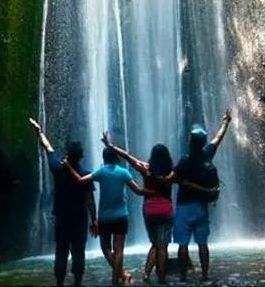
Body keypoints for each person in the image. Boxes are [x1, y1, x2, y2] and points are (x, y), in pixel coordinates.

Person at [65, 146, 151, 285]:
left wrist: (69, 166)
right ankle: (117, 279)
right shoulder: (124, 173)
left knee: (105, 249)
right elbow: (138, 191)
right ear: (116, 158)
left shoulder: (101, 172)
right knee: (119, 250)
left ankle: (121, 276)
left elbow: (80, 180)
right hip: (121, 216)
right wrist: (153, 191)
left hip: (105, 217)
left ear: (104, 158)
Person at [29, 117, 97, 287]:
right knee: (78, 251)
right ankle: (78, 281)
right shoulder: (86, 174)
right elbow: (90, 200)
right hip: (80, 219)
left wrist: (39, 132)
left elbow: (48, 148)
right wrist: (94, 220)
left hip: (62, 218)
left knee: (61, 251)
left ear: (67, 154)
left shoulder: (58, 169)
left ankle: (59, 282)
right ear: (81, 157)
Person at [101, 134, 176, 283]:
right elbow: (185, 178)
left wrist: (110, 146)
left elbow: (128, 158)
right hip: (165, 210)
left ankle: (147, 274)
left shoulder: (146, 170)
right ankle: (161, 277)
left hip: (149, 211)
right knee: (162, 247)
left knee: (155, 244)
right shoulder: (171, 173)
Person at [172, 109, 232, 282]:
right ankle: (205, 275)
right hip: (201, 207)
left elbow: (171, 179)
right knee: (202, 244)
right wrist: (226, 123)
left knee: (182, 245)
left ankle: (183, 275)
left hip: (184, 206)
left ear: (191, 142)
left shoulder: (184, 160)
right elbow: (218, 139)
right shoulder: (207, 154)